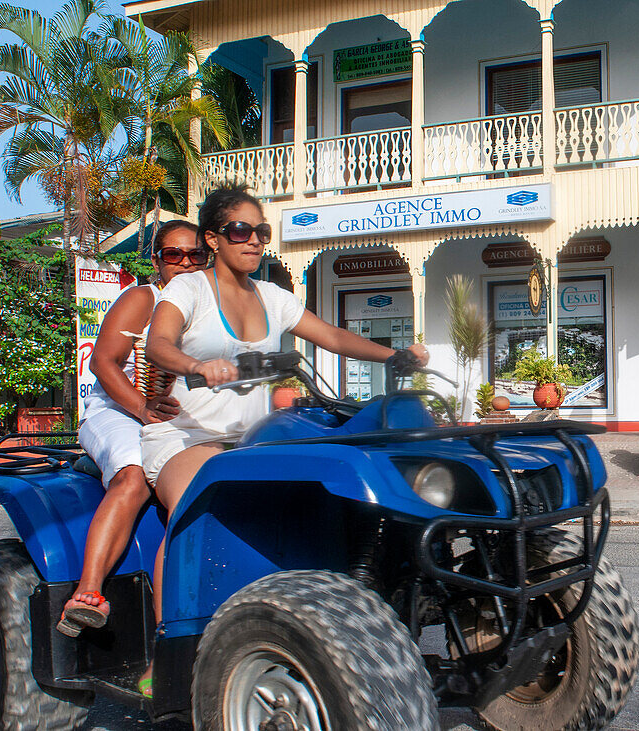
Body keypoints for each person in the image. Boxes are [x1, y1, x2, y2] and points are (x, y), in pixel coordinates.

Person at [139, 185, 428, 695]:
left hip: (253, 444)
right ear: (214, 238)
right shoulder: (188, 291)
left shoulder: (273, 296)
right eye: (241, 231)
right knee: (193, 510)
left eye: (261, 233)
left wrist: (394, 355)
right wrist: (195, 365)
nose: (254, 241)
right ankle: (170, 651)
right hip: (185, 436)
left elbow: (334, 337)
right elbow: (158, 343)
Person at [58, 220, 207, 638]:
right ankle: (87, 594)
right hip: (117, 411)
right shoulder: (145, 298)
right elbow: (102, 362)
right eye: (174, 255)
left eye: (196, 255)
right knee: (134, 475)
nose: (186, 263)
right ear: (157, 261)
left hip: (177, 417)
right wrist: (141, 409)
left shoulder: (213, 305)